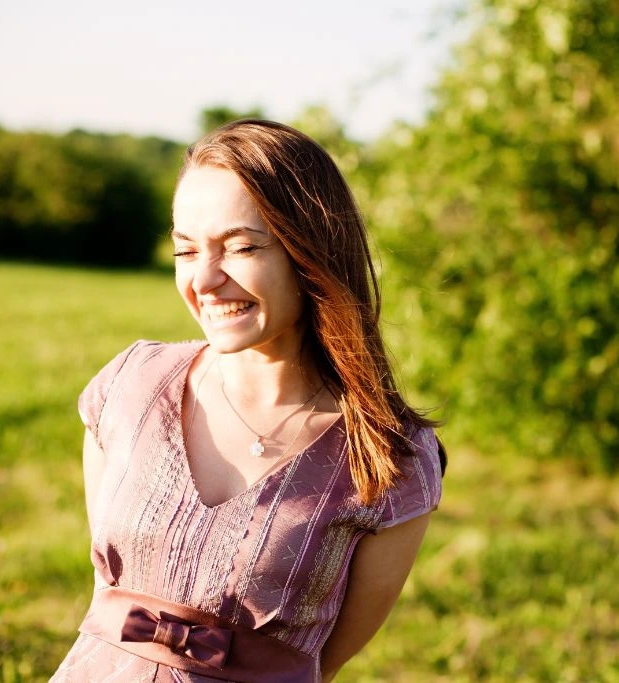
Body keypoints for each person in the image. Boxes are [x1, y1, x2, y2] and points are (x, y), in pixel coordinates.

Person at [52, 120, 444, 682]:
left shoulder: (390, 458)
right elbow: (104, 598)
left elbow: (318, 666)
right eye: (186, 251)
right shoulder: (129, 386)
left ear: (311, 251)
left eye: (241, 247)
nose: (204, 280)